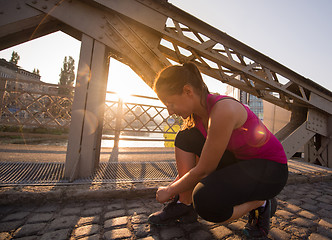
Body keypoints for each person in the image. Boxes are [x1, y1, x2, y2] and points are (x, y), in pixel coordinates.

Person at [148, 62, 288, 238]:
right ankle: (185, 204)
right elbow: (200, 162)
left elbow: (204, 169)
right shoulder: (198, 118)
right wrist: (177, 188)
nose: (169, 112)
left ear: (188, 91)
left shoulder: (223, 109)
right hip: (242, 162)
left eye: (171, 104)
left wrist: (169, 190)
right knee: (185, 137)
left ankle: (261, 202)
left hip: (270, 169)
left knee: (206, 201)